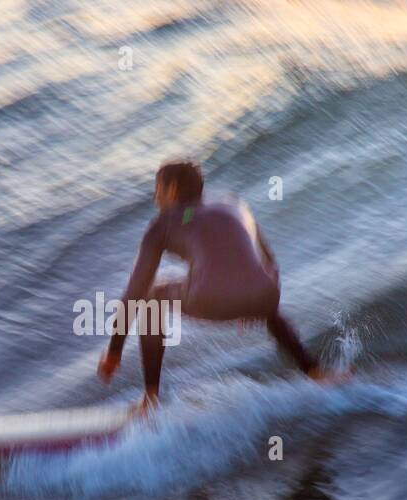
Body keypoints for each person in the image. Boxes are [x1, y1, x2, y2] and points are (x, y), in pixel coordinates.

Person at [98, 161, 331, 413]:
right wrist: (256, 303)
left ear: (172, 189)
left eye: (158, 190)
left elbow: (135, 292)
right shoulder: (232, 205)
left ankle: (150, 400)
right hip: (264, 294)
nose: (155, 198)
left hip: (209, 298)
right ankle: (316, 373)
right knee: (265, 303)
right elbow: (269, 263)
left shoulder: (162, 224)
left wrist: (114, 351)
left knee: (153, 296)